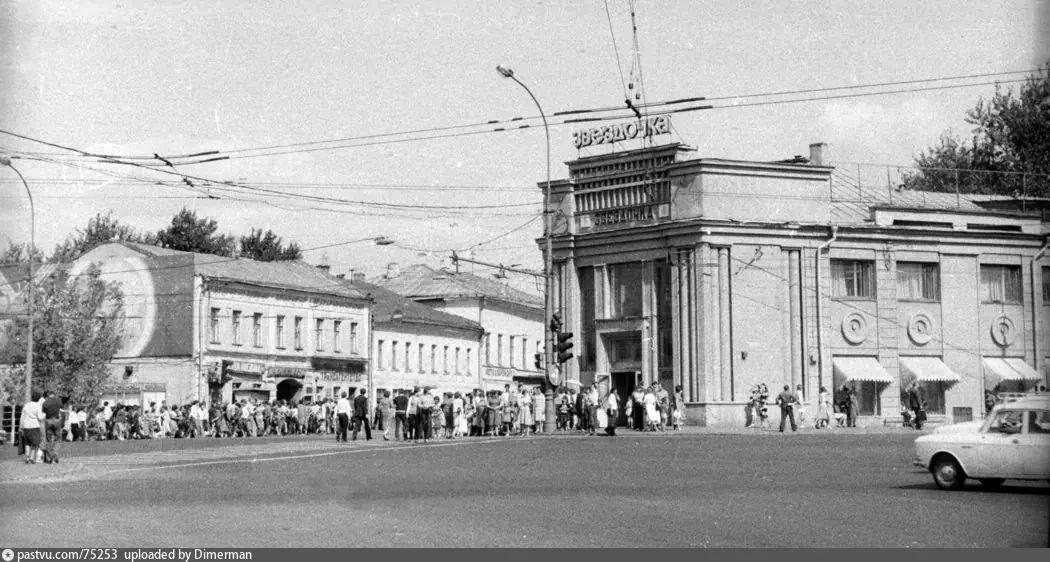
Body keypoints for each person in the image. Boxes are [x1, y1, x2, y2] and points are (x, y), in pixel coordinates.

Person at [20, 391, 45, 464]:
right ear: (38, 399)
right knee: (35, 443)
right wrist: (45, 414)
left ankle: (27, 457)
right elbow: (40, 417)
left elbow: (22, 417)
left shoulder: (26, 405)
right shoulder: (38, 406)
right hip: (34, 426)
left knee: (27, 442)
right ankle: (31, 457)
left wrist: (21, 427)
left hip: (26, 426)